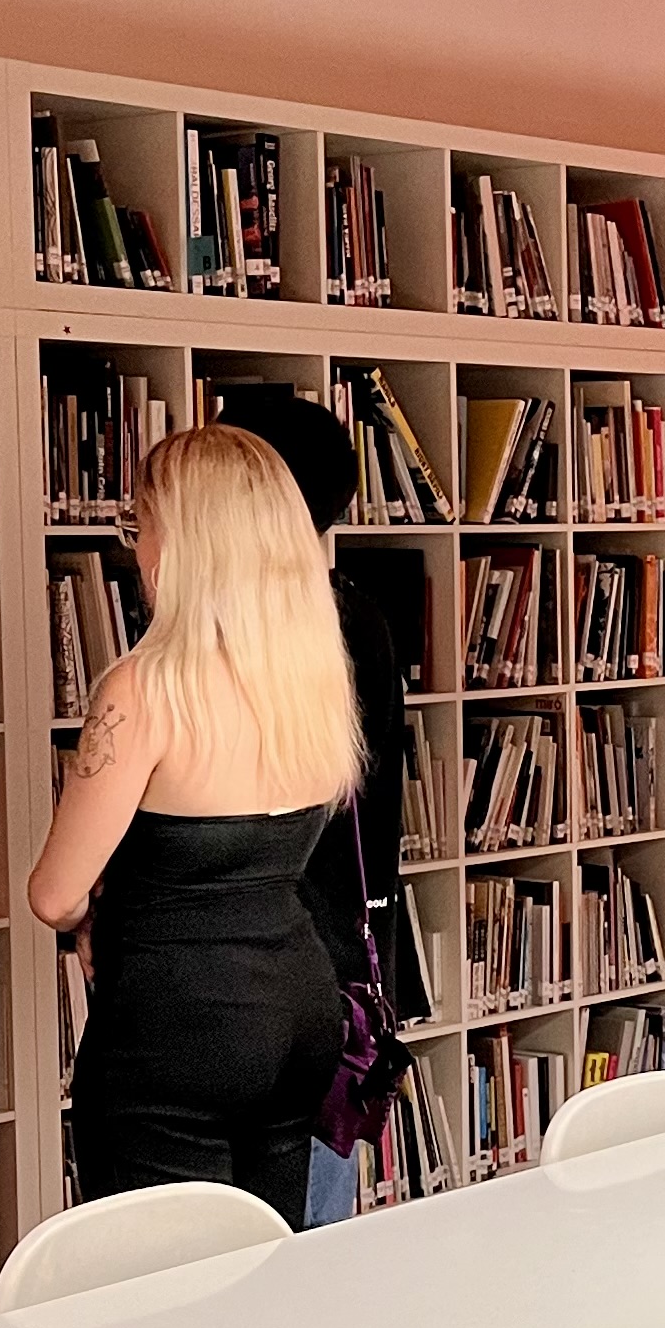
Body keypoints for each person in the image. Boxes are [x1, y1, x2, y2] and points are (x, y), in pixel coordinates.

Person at [31, 422, 365, 1223]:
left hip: (177, 1022)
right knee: (267, 1258)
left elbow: (54, 893)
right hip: (298, 1005)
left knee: (162, 1274)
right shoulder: (310, 674)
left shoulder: (143, 690)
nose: (135, 552)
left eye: (141, 526)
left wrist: (91, 916)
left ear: (186, 545)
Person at [215, 384, 412, 1220]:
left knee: (288, 1232)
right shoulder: (353, 614)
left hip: (293, 968)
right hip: (319, 963)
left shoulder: (293, 629)